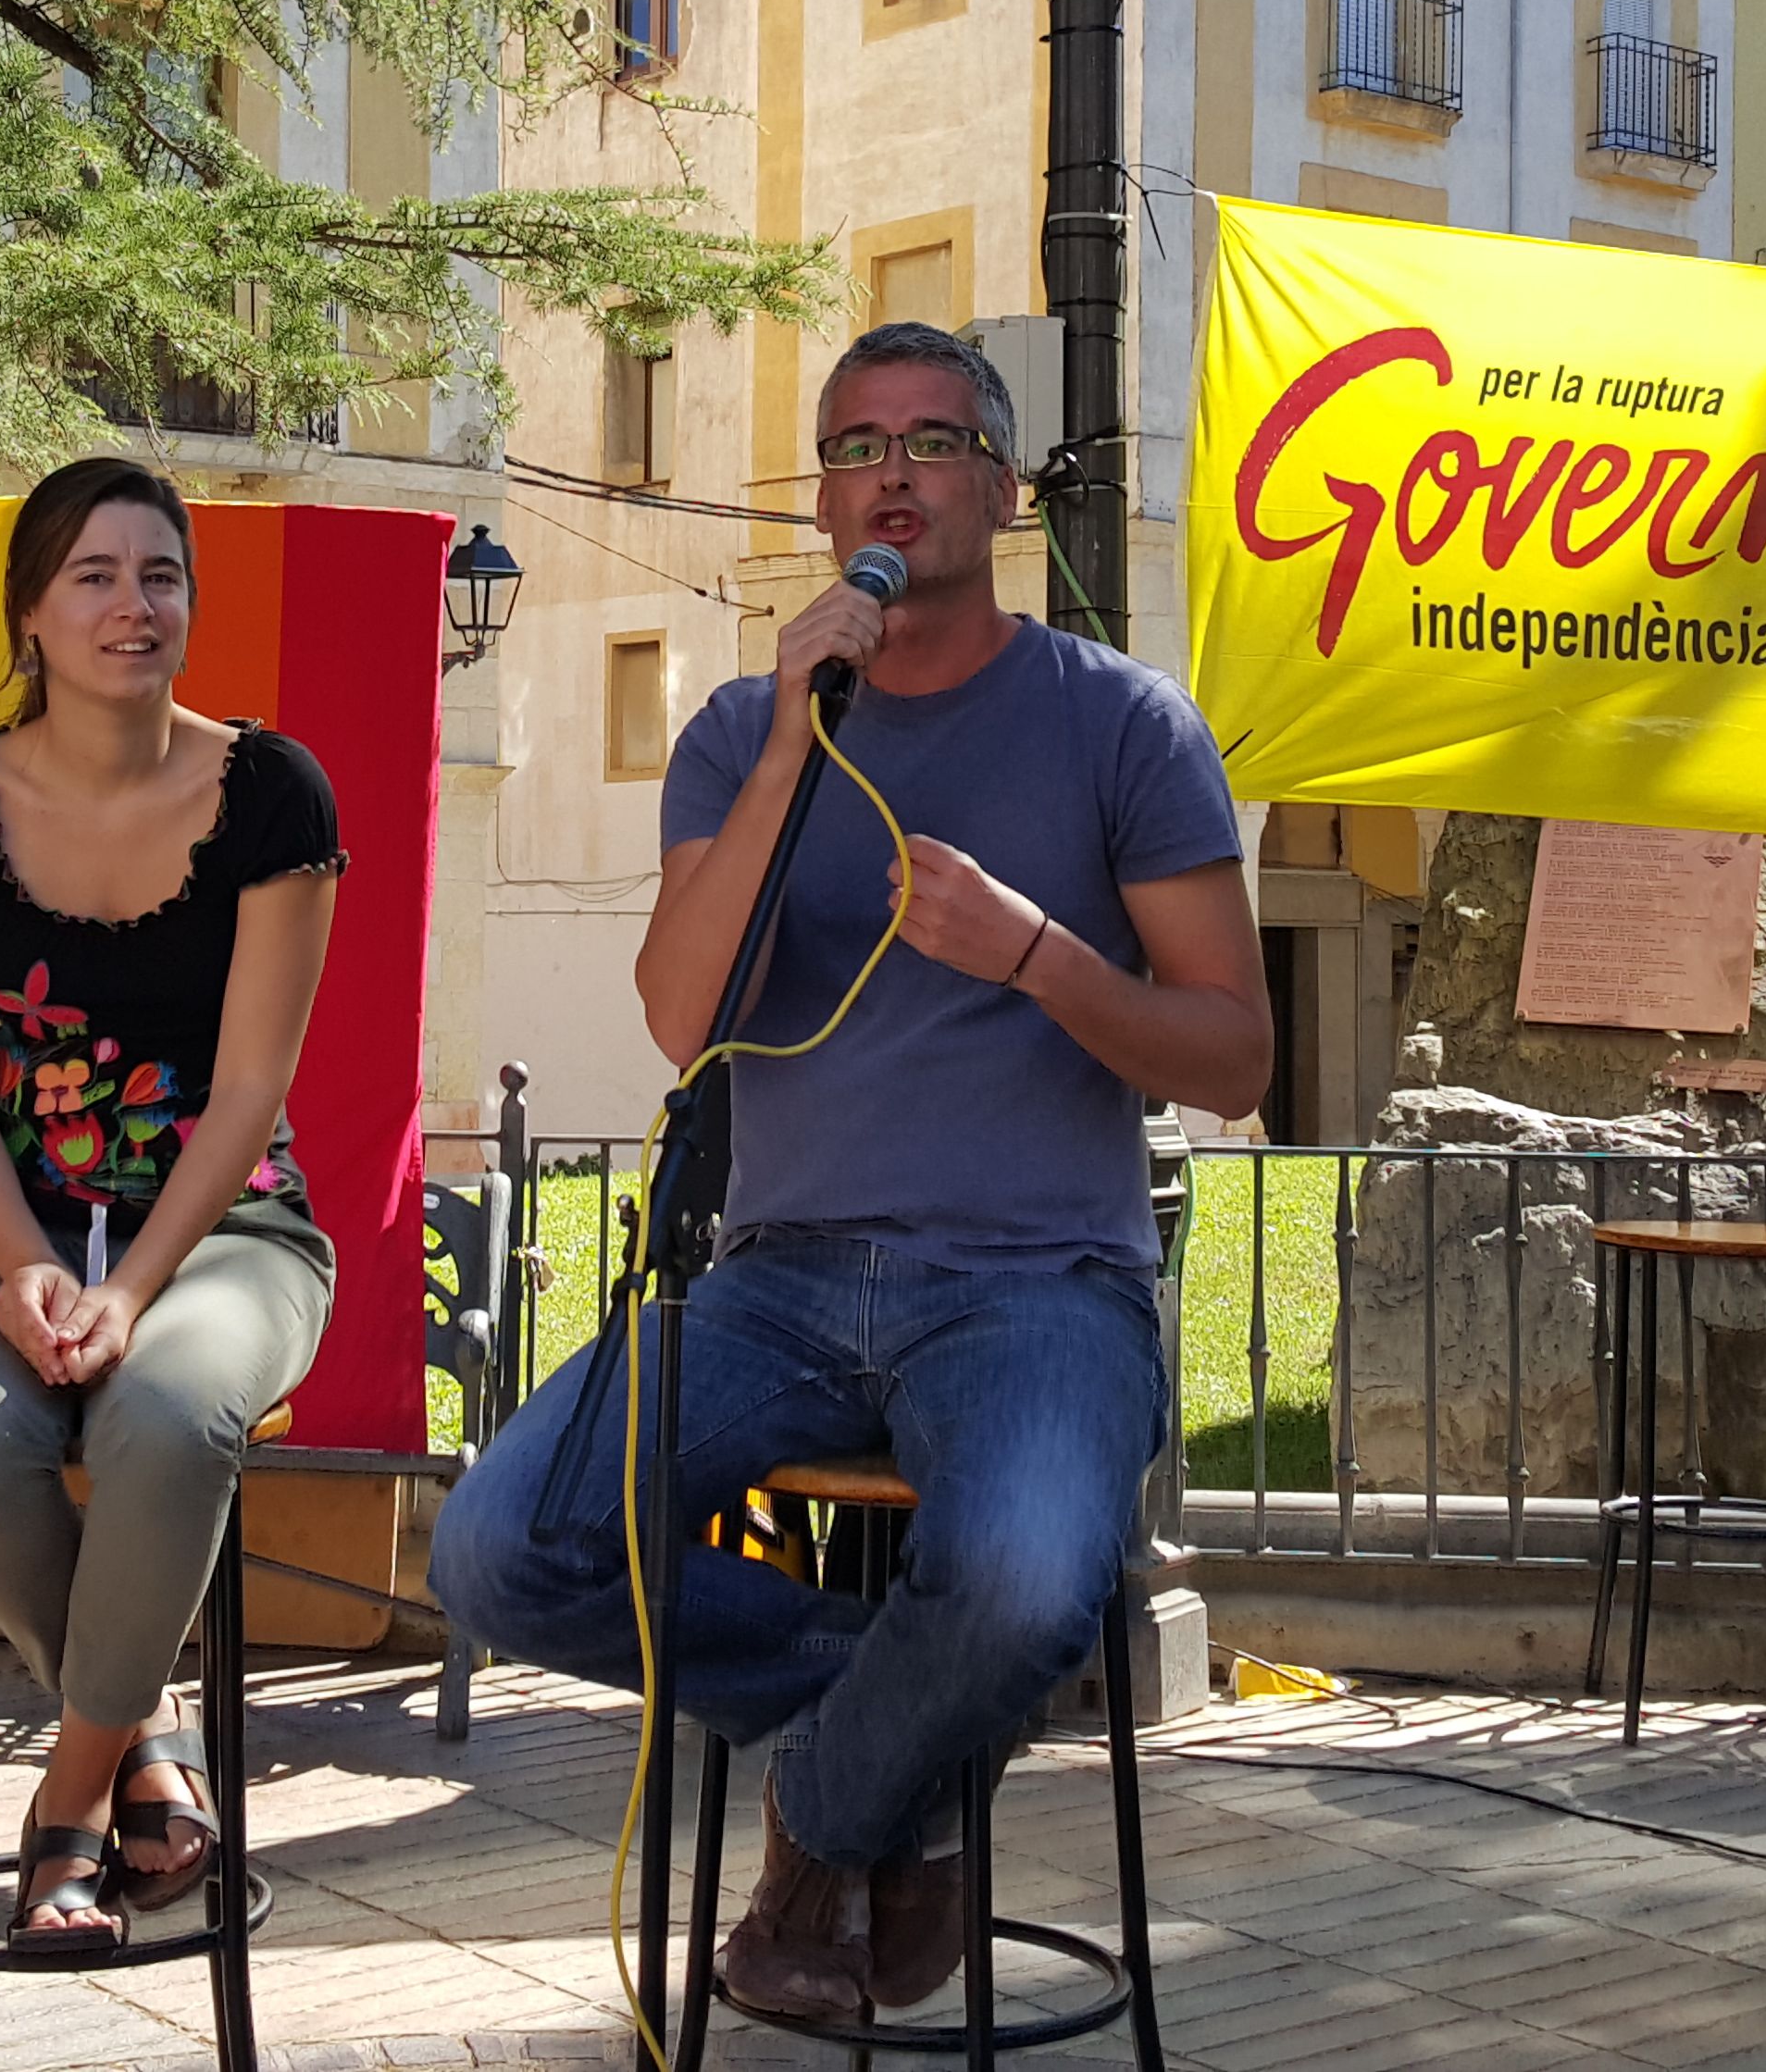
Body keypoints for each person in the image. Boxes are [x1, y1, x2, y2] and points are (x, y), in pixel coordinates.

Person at [429, 323, 1272, 2022]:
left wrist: (1033, 951)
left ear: (1004, 487)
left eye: (936, 440)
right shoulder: (746, 731)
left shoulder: (1121, 725)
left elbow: (1239, 1061)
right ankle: (893, 1739)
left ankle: (821, 1825)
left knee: (1032, 1585)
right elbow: (681, 1018)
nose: (894, 469)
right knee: (500, 1547)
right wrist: (795, 754)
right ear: (823, 499)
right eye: (858, 444)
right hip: (782, 1280)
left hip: (1043, 1282)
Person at [0, 455, 343, 1945]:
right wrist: (22, 1268)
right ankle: (150, 1732)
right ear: (29, 611)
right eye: (92, 576)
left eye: (160, 576)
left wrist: (130, 1288)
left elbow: (253, 1090)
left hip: (223, 1224)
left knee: (173, 1407)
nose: (132, 607)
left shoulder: (273, 793)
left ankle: (71, 1792)